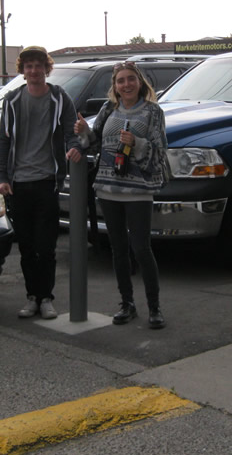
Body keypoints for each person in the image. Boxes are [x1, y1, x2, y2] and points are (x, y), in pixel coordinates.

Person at [68, 61, 169, 329]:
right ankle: (127, 304)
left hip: (138, 191)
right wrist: (84, 133)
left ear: (140, 82)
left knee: (141, 249)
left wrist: (136, 143)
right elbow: (96, 140)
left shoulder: (152, 112)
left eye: (130, 79)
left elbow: (160, 151)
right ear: (115, 86)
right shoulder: (108, 108)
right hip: (108, 187)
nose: (126, 85)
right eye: (121, 81)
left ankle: (155, 307)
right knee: (118, 249)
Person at [0, 46, 77, 319]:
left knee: (47, 247)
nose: (33, 71)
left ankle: (46, 299)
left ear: (46, 68)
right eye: (28, 66)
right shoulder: (12, 100)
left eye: (38, 65)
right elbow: (4, 140)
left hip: (47, 182)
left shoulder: (59, 98)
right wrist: (2, 177)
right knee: (27, 248)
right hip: (19, 183)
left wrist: (74, 147)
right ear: (23, 70)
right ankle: (32, 297)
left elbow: (71, 131)